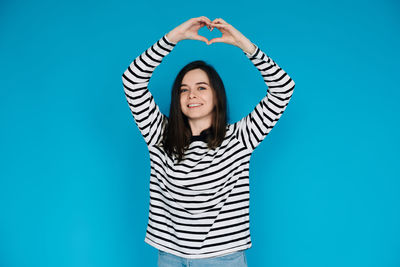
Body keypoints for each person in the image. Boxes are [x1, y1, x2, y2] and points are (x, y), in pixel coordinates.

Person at [121, 16, 295, 267]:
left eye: (202, 87)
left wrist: (244, 45)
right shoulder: (158, 134)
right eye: (184, 89)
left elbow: (283, 88)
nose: (192, 94)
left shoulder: (240, 137)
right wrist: (173, 38)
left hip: (223, 258)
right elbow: (132, 80)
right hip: (170, 256)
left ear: (217, 95)